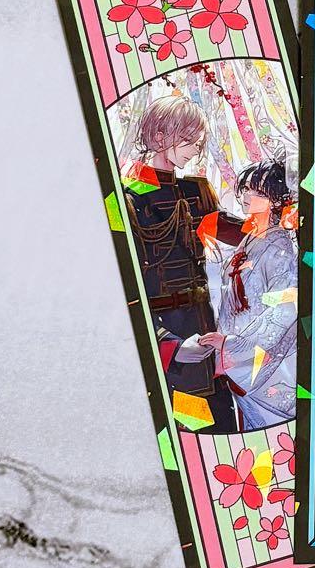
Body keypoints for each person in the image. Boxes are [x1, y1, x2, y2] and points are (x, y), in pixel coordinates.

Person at [124, 95, 241, 433]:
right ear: (159, 137)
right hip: (168, 345)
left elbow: (242, 232)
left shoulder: (196, 191)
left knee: (223, 429)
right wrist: (169, 347)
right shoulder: (128, 198)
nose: (195, 150)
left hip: (206, 337)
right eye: (188, 140)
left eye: (198, 142)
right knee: (189, 434)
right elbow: (123, 289)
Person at [179, 161, 300, 429]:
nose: (246, 196)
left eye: (257, 191)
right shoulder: (253, 237)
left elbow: (285, 308)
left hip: (268, 371)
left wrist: (233, 343)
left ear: (275, 200)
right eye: (245, 188)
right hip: (242, 364)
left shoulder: (280, 248)